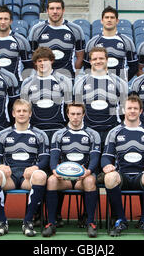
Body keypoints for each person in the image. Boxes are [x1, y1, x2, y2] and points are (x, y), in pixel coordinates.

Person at [101, 95, 144, 237]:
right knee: (109, 178)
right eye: (129, 108)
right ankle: (121, 219)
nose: (132, 111)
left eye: (135, 108)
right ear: (124, 110)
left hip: (142, 175)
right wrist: (106, 166)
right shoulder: (114, 132)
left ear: (141, 111)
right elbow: (106, 156)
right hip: (122, 175)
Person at [0, 99, 50, 237]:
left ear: (30, 114)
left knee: (41, 176)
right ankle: (2, 222)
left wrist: (36, 167)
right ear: (13, 113)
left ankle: (28, 221)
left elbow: (45, 159)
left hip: (28, 176)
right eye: (19, 111)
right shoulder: (3, 134)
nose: (21, 114)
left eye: (25, 111)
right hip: (10, 175)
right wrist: (0, 166)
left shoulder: (40, 135)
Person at [42, 102, 101, 238]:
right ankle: (51, 223)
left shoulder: (93, 134)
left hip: (83, 177)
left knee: (91, 181)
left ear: (83, 115)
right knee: (51, 180)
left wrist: (89, 171)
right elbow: (54, 156)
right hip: (65, 178)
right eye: (72, 114)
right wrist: (54, 170)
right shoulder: (59, 134)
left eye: (78, 114)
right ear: (68, 114)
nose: (75, 117)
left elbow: (94, 158)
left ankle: (90, 223)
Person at [73, 47, 128, 148]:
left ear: (107, 60)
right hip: (88, 132)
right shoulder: (80, 83)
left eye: (101, 58)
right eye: (94, 59)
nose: (98, 61)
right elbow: (77, 110)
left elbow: (124, 111)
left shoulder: (119, 83)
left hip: (111, 131)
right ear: (90, 61)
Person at [20, 46, 73, 141]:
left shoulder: (64, 80)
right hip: (36, 130)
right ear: (35, 63)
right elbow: (24, 110)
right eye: (39, 61)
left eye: (45, 60)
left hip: (58, 129)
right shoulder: (27, 82)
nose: (42, 63)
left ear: (52, 61)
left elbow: (69, 107)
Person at [28, 0, 85, 79]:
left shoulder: (76, 30)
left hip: (68, 77)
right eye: (52, 8)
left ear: (63, 10)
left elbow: (80, 57)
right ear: (47, 11)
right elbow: (33, 58)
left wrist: (75, 74)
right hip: (45, 78)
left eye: (58, 8)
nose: (55, 11)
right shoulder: (36, 30)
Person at [0, 5, 33, 83]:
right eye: (0, 19)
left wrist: (23, 84)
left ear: (11, 21)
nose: (3, 22)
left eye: (6, 19)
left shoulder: (21, 41)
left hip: (15, 87)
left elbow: (29, 67)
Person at [84, 6, 138, 81]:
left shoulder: (126, 41)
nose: (109, 20)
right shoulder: (92, 42)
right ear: (102, 21)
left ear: (117, 21)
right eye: (106, 17)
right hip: (99, 85)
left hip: (119, 87)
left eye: (112, 17)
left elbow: (134, 66)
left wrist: (122, 81)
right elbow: (87, 66)